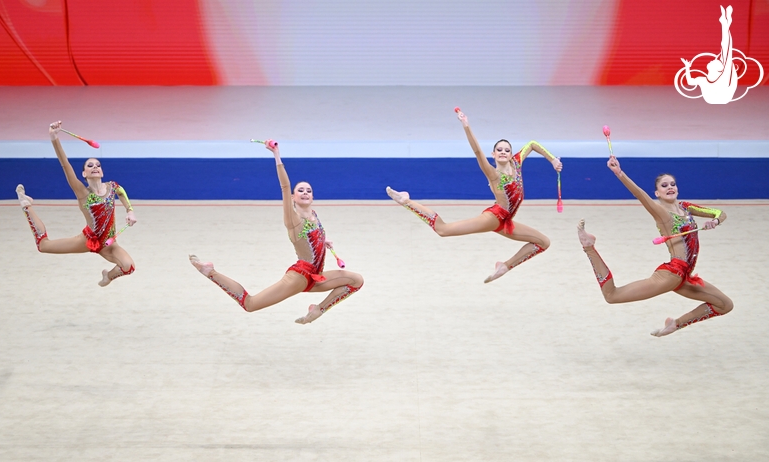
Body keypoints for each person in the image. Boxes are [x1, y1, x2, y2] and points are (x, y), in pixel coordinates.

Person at [189, 140, 363, 324]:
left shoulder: (313, 215)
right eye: (300, 190)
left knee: (356, 281)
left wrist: (323, 240)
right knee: (250, 304)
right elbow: (285, 186)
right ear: (293, 197)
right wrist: (276, 155)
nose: (305, 192)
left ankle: (317, 310)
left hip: (316, 277)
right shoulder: (293, 220)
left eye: (309, 190)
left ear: (313, 196)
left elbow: (312, 238)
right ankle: (210, 272)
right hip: (300, 277)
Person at [386, 107, 563, 283]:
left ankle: (504, 266)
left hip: (507, 222)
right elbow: (478, 151)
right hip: (494, 217)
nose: (503, 152)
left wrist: (552, 159)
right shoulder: (493, 174)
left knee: (543, 243)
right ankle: (406, 200)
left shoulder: (516, 163)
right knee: (443, 230)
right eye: (499, 150)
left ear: (511, 155)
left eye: (507, 150)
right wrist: (466, 126)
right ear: (493, 154)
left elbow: (532, 144)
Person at [577, 156, 733, 337]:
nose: (670, 187)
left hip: (685, 277)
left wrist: (714, 221)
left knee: (725, 305)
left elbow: (720, 213)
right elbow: (640, 195)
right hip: (671, 275)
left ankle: (675, 325)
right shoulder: (662, 213)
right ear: (657, 193)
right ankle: (589, 246)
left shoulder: (686, 208)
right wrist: (620, 173)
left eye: (672, 184)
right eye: (664, 186)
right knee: (612, 296)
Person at [16, 121, 137, 287]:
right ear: (84, 173)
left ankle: (108, 276)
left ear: (102, 171)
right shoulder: (83, 193)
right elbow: (65, 165)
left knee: (128, 267)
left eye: (98, 165)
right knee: (43, 246)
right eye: (90, 165)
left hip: (108, 244)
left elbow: (121, 191)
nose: (95, 167)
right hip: (87, 240)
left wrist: (130, 211)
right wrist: (54, 138)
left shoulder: (111, 186)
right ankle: (26, 205)